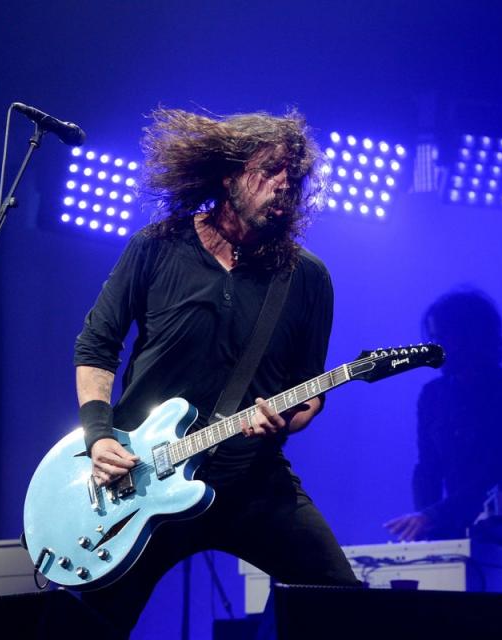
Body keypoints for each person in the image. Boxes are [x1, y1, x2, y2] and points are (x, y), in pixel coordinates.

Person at [73, 108, 357, 634]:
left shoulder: (307, 277)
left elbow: (311, 392)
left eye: (293, 177)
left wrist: (286, 420)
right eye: (269, 171)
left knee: (339, 601)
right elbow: (97, 343)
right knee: (84, 626)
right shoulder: (157, 247)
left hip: (249, 480)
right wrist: (97, 434)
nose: (284, 186)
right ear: (228, 176)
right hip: (143, 480)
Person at [383, 288, 502, 583]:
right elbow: (427, 469)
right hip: (451, 530)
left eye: (442, 337)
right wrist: (424, 528)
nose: (433, 346)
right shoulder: (433, 395)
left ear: (473, 338)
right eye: (432, 337)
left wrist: (432, 516)